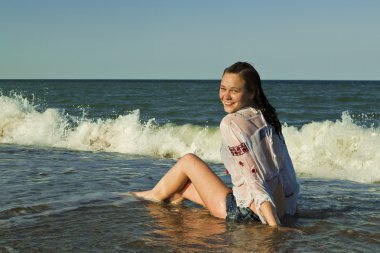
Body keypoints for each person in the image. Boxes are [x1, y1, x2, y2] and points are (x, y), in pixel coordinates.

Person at [133, 62, 299, 226]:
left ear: (252, 92)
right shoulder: (267, 118)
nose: (226, 96)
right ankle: (169, 197)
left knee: (188, 161)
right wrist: (288, 213)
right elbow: (284, 174)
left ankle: (146, 197)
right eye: (223, 88)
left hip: (246, 213)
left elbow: (253, 180)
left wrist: (274, 227)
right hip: (279, 208)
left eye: (234, 91)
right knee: (180, 187)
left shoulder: (231, 123)